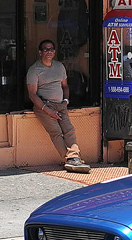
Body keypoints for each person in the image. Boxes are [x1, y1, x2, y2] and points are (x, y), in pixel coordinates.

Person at [27, 39, 90, 173]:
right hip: (44, 106)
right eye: (45, 49)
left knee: (69, 130)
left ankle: (73, 158)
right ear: (40, 52)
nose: (49, 52)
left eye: (51, 49)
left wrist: (66, 101)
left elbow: (65, 86)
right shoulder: (34, 70)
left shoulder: (59, 67)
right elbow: (32, 95)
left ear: (54, 52)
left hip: (61, 105)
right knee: (56, 133)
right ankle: (70, 160)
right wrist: (47, 110)